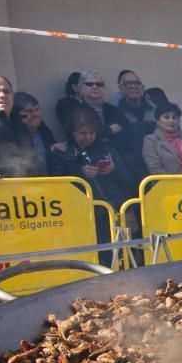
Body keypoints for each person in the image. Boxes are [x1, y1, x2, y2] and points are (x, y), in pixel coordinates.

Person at [51, 107, 137, 261]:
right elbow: (57, 183)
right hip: (87, 214)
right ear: (72, 132)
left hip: (118, 208)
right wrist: (80, 173)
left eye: (91, 133)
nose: (88, 137)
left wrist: (113, 170)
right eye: (82, 133)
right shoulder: (61, 152)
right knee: (100, 256)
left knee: (126, 256)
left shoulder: (107, 149)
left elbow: (129, 179)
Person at [10, 92, 65, 176]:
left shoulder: (44, 131)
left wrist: (53, 147)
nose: (36, 114)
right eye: (29, 112)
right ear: (17, 115)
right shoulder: (11, 137)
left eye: (37, 109)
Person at [62, 70, 124, 140]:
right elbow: (81, 136)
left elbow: (125, 132)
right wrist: (110, 130)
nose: (95, 87)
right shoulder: (74, 110)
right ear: (81, 88)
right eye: (89, 84)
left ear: (104, 88)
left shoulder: (114, 110)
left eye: (99, 84)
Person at [143, 102, 182, 175]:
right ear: (157, 121)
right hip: (163, 184)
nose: (171, 121)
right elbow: (155, 169)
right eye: (166, 117)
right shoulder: (151, 140)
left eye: (174, 117)